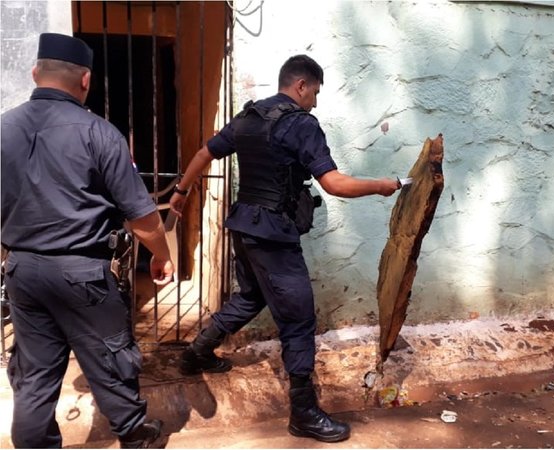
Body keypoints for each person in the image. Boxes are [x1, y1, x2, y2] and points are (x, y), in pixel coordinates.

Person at [169, 54, 400, 443]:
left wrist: (180, 191)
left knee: (252, 296)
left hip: (244, 227)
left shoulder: (249, 118)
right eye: (315, 93)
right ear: (301, 86)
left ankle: (196, 353)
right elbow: (334, 184)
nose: (315, 102)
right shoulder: (300, 125)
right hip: (274, 236)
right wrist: (382, 185)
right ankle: (304, 413)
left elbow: (203, 154)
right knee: (298, 319)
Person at [1, 33, 174, 449]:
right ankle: (134, 434)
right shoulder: (100, 133)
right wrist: (162, 256)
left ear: (35, 73)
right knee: (111, 356)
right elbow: (141, 215)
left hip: (22, 270)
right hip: (83, 273)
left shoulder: (3, 128)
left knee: (35, 372)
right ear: (85, 81)